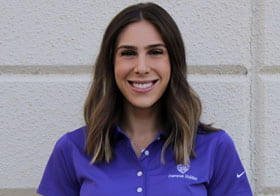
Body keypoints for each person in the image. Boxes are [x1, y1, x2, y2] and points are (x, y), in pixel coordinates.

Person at [37, 2, 253, 196]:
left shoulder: (214, 146)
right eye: (128, 53)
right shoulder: (72, 148)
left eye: (155, 52)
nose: (141, 68)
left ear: (173, 63)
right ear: (111, 65)